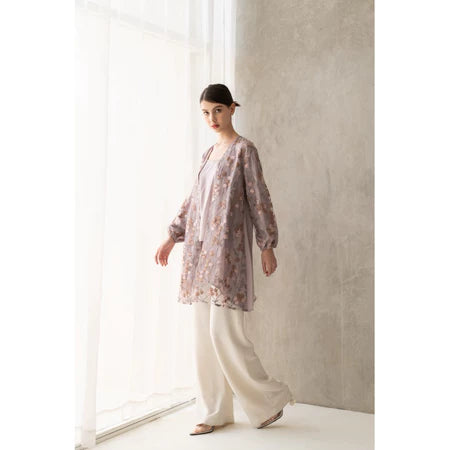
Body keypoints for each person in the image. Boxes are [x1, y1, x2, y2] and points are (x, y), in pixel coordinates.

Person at [155, 83, 295, 435]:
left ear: (232, 108)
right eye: (205, 112)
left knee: (224, 333)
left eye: (217, 110)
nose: (212, 118)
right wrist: (172, 236)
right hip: (199, 254)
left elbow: (259, 198)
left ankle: (269, 399)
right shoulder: (209, 154)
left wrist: (267, 244)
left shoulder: (244, 150)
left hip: (227, 255)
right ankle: (214, 412)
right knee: (203, 335)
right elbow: (194, 200)